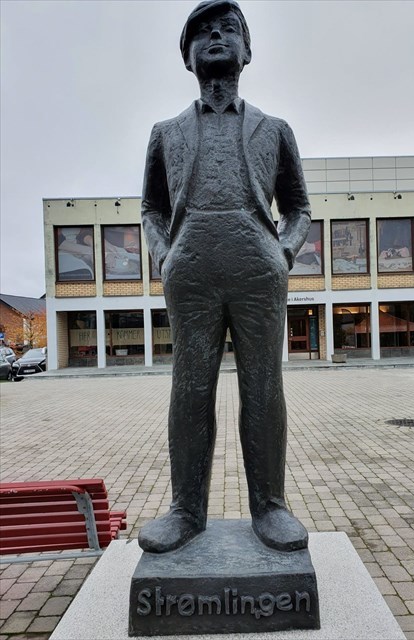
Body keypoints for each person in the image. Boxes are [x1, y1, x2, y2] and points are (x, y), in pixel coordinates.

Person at [139, 0, 311, 554]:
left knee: (263, 385)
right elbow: (151, 208)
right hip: (191, 270)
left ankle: (271, 506)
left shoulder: (274, 130)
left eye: (228, 28)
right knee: (190, 388)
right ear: (187, 57)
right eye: (202, 32)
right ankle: (186, 509)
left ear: (247, 51)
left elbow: (299, 208)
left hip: (257, 269)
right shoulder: (166, 133)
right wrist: (163, 255)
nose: (215, 37)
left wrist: (283, 252)